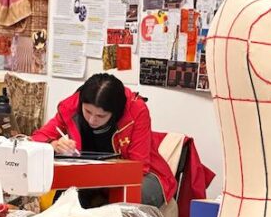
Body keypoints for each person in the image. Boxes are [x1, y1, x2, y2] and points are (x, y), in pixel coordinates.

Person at [32, 74, 176, 208]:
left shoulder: (136, 110)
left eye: (101, 116)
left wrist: (98, 179)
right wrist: (54, 144)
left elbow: (139, 166)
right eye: (87, 111)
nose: (92, 120)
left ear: (115, 112)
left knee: (119, 206)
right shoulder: (71, 106)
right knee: (63, 204)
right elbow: (38, 137)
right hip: (90, 175)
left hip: (142, 175)